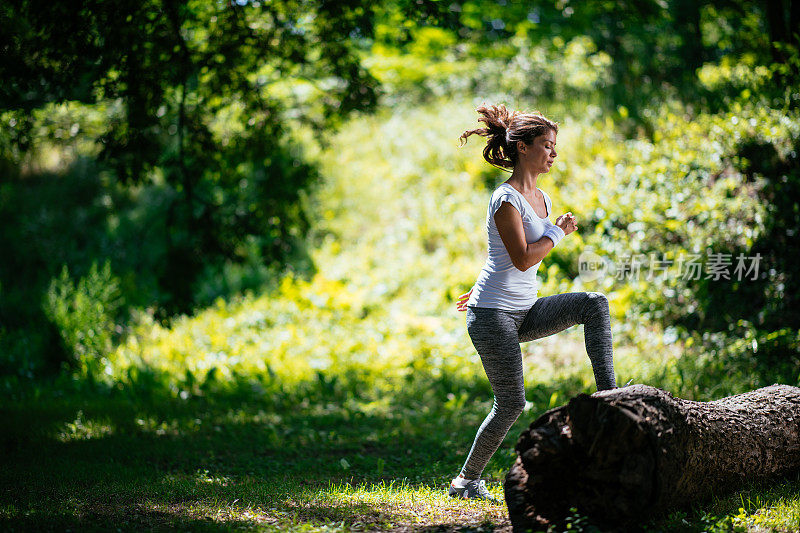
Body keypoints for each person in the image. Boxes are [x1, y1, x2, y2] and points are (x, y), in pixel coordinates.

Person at [447, 104, 617, 502]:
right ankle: (465, 481)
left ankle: (610, 398)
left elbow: (506, 258)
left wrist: (552, 233)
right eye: (546, 145)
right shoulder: (505, 198)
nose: (553, 153)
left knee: (593, 303)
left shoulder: (542, 197)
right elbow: (523, 256)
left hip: (524, 308)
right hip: (492, 317)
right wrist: (558, 234)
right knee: (511, 402)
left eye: (555, 146)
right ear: (523, 148)